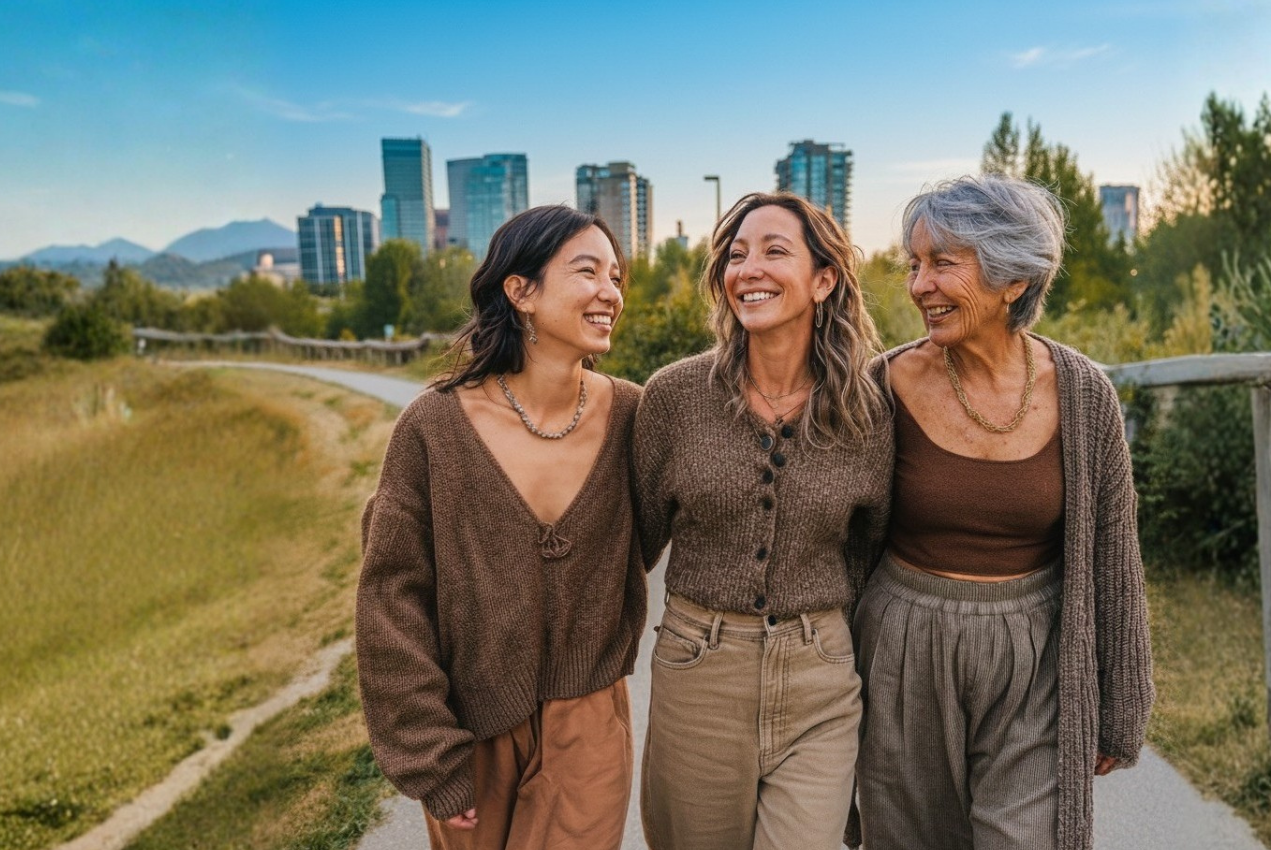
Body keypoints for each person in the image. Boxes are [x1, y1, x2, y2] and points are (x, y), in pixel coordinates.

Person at [855, 175, 1154, 850]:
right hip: (906, 648)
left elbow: (1114, 556)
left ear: (1013, 279)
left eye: (942, 263)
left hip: (1036, 654)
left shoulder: (1083, 392)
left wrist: (1122, 705)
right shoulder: (885, 385)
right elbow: (843, 540)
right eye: (913, 264)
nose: (919, 285)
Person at [357, 205, 646, 850]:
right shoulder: (432, 428)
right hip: (472, 723)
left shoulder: (632, 415)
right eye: (587, 272)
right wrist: (429, 753)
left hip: (590, 715)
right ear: (521, 291)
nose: (611, 292)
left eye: (615, 275)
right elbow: (392, 596)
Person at [632, 192, 892, 850]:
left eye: (776, 252)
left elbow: (872, 551)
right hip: (701, 672)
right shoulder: (675, 398)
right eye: (737, 255)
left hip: (820, 675)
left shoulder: (868, 411)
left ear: (824, 279)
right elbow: (630, 542)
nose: (749, 268)